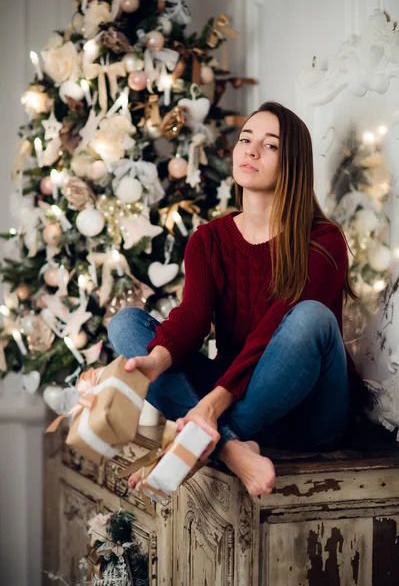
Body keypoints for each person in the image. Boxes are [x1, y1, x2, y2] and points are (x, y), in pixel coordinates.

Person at [108, 101, 364, 497]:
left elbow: (269, 334)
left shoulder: (323, 240)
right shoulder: (208, 240)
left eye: (271, 145)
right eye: (246, 139)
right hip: (235, 395)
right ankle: (229, 449)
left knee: (310, 317)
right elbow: (191, 321)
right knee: (125, 323)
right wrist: (156, 360)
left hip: (310, 412)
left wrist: (209, 408)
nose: (251, 150)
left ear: (293, 163)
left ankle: (203, 442)